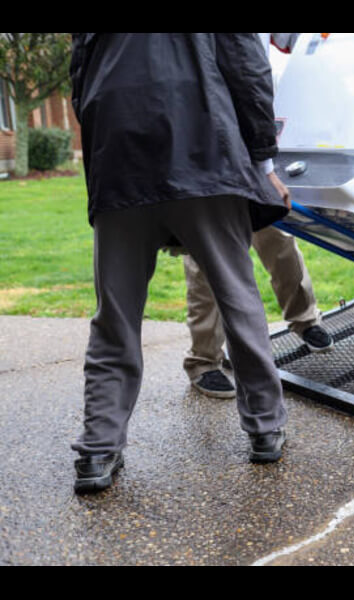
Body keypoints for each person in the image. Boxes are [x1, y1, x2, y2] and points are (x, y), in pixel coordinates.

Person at [69, 33, 292, 495]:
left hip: (120, 151)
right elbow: (247, 64)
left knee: (116, 314)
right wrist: (263, 158)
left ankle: (98, 448)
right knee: (237, 297)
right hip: (204, 143)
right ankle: (265, 427)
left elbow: (80, 71)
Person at [184, 32, 334, 400]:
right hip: (201, 136)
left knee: (277, 237)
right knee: (205, 256)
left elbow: (291, 41)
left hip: (254, 135)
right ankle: (204, 359)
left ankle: (304, 319)